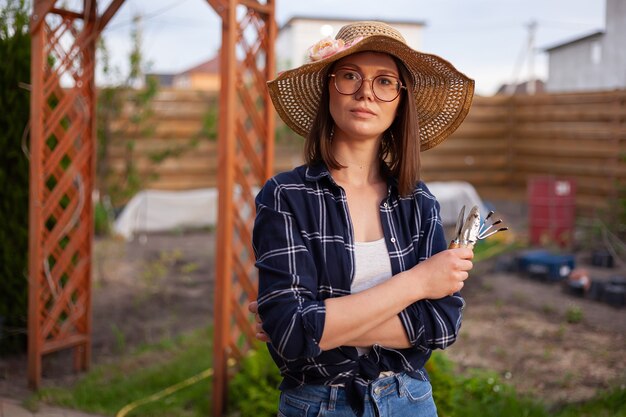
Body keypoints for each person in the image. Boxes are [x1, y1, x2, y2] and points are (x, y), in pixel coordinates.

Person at [250, 21, 475, 417]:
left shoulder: (417, 201)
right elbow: (290, 331)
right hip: (319, 405)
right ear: (327, 89)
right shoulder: (286, 196)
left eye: (385, 81)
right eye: (350, 75)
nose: (366, 91)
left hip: (411, 402)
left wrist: (319, 324)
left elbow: (442, 323)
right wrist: (419, 282)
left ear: (401, 101)